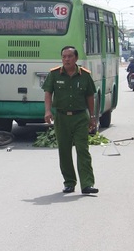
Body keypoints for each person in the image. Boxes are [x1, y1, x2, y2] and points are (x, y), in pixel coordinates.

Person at [43, 46, 99, 195]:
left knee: (83, 150)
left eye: (69, 56)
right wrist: (48, 111)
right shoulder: (54, 74)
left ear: (76, 58)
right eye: (64, 57)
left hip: (80, 117)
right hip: (61, 117)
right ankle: (69, 182)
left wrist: (92, 116)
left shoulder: (85, 75)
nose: (66, 59)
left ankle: (87, 184)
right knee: (64, 151)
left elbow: (89, 96)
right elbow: (48, 93)